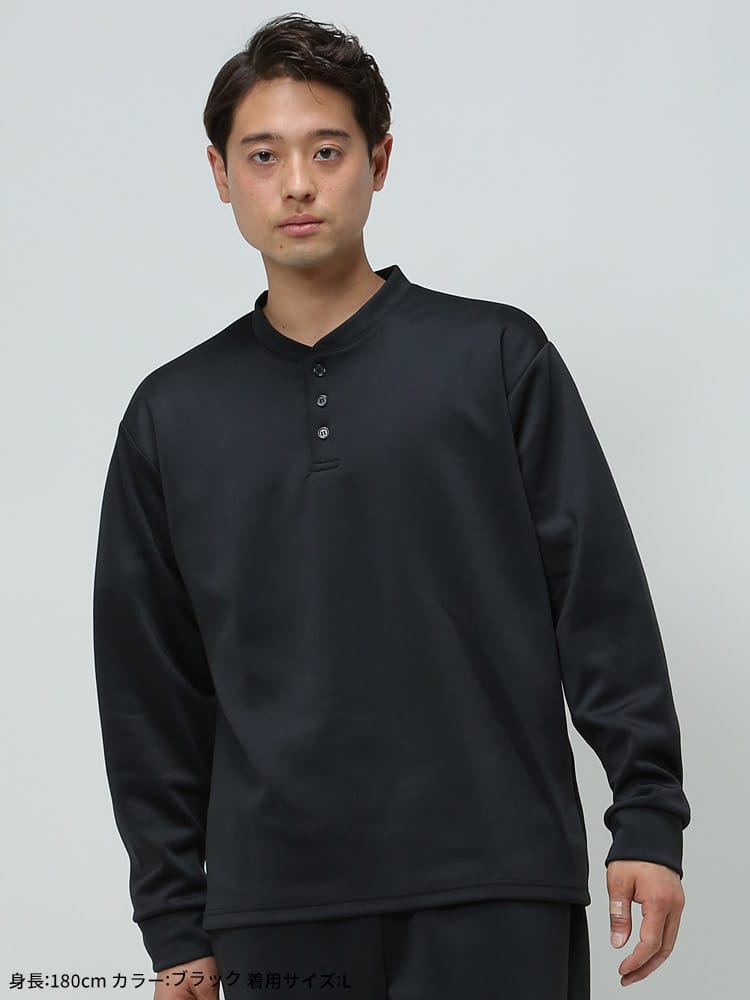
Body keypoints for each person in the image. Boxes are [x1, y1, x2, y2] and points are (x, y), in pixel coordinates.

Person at [92, 12, 690, 999]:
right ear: (220, 174)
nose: (296, 183)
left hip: (496, 883)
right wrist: (172, 922)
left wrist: (649, 818)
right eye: (263, 155)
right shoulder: (171, 415)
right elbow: (149, 690)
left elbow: (599, 602)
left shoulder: (496, 358)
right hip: (274, 908)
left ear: (379, 159)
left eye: (326, 150)